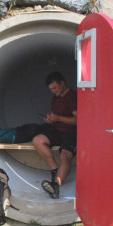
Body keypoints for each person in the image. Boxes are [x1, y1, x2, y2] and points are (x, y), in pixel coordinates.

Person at [32, 71, 77, 199]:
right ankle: (54, 171)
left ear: (62, 83)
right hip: (58, 131)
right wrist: (51, 119)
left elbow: (79, 120)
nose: (53, 91)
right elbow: (56, 116)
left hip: (72, 133)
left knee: (65, 155)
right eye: (51, 89)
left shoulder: (72, 96)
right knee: (37, 140)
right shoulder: (55, 99)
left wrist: (58, 118)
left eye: (54, 88)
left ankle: (56, 184)